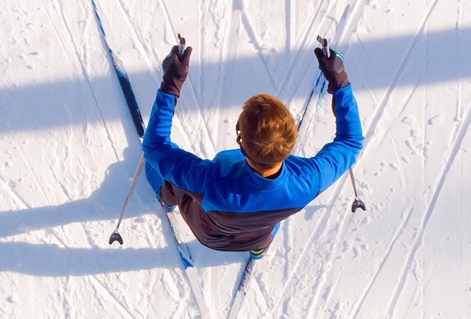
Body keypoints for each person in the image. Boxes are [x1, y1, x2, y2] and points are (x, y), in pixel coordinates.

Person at [142, 42, 363, 258]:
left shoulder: (209, 181)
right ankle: (259, 249)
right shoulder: (308, 181)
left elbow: (154, 146)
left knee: (175, 179)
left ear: (241, 141)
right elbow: (350, 142)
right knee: (266, 222)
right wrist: (339, 79)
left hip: (209, 234)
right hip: (258, 235)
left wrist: (172, 83)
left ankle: (166, 199)